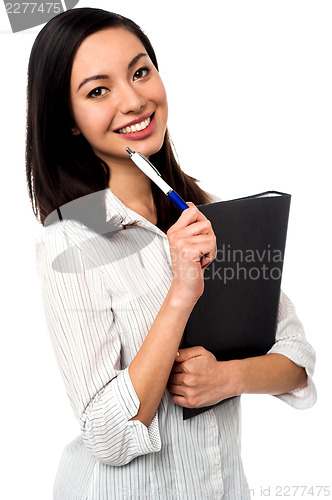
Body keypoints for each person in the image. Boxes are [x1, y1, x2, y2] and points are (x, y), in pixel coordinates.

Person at [26, 7, 316, 500]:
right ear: (69, 121)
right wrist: (182, 290)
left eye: (140, 72)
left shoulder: (216, 217)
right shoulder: (69, 241)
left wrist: (226, 378)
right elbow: (107, 435)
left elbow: (296, 360)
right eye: (99, 90)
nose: (135, 100)